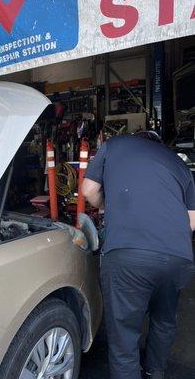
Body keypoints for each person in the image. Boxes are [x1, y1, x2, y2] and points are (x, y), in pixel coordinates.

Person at [82, 131, 195, 379]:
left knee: (124, 332)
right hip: (178, 257)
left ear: (137, 137)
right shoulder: (179, 164)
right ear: (159, 144)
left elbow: (89, 190)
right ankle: (156, 372)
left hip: (128, 253)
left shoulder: (115, 145)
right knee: (164, 320)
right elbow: (192, 223)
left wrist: (105, 205)